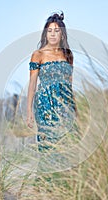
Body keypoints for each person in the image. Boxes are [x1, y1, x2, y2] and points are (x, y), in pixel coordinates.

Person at [26, 11, 77, 155]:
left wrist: (75, 109)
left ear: (62, 34)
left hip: (65, 104)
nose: (53, 34)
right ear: (45, 34)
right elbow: (32, 85)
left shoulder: (68, 54)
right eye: (49, 31)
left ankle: (65, 177)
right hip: (45, 104)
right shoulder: (38, 54)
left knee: (67, 142)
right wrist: (29, 111)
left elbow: (70, 84)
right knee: (48, 142)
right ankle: (47, 176)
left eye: (56, 31)